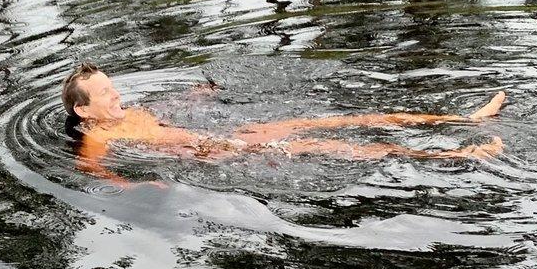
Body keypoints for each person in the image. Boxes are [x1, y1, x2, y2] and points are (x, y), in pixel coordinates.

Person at [60, 63, 505, 176]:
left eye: (113, 86)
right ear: (83, 108)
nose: (116, 94)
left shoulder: (125, 114)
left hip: (226, 134)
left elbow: (167, 114)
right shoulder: (96, 135)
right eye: (105, 93)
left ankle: (465, 118)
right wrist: (138, 184)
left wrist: (197, 94)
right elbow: (92, 168)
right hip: (216, 150)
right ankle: (459, 154)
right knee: (332, 146)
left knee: (337, 121)